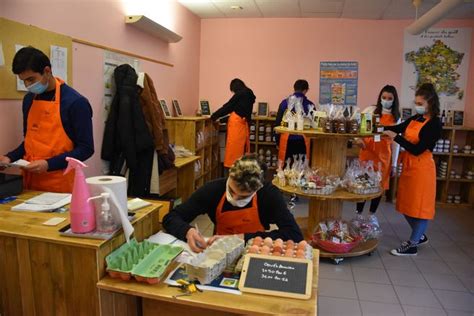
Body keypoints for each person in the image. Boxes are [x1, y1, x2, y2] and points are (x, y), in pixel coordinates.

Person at [163, 154, 304, 252]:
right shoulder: (213, 190)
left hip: (254, 252)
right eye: (231, 190)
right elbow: (171, 217)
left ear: (257, 189)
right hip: (219, 252)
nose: (235, 199)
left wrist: (241, 238)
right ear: (229, 176)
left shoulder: (268, 195)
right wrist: (187, 231)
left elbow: (294, 234)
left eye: (243, 197)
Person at [0, 47, 94, 193]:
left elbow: (86, 149)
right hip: (29, 183)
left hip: (60, 183)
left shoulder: (76, 103)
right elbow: (30, 141)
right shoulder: (29, 100)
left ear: (47, 71)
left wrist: (49, 164)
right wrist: (9, 157)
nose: (27, 86)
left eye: (31, 79)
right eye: (23, 81)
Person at [383, 83, 442, 256]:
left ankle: (413, 244)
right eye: (416, 102)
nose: (418, 106)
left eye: (420, 103)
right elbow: (397, 129)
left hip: (422, 169)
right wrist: (376, 128)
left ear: (430, 103)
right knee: (406, 205)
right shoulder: (416, 118)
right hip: (409, 167)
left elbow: (417, 149)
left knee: (420, 207)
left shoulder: (435, 124)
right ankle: (420, 235)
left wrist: (397, 139)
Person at [354, 85, 401, 226]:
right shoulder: (370, 110)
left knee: (378, 187)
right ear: (380, 97)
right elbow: (357, 128)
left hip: (384, 157)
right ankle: (358, 215)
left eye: (390, 98)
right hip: (367, 153)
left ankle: (371, 216)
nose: (386, 100)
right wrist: (358, 139)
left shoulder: (396, 117)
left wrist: (394, 163)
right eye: (384, 97)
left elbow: (396, 143)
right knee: (362, 185)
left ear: (394, 100)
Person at [210, 78, 255, 169]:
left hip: (236, 127)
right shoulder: (249, 95)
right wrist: (222, 120)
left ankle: (231, 173)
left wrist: (214, 116)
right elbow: (238, 111)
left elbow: (228, 107)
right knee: (242, 151)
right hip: (243, 125)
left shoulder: (240, 94)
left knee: (233, 153)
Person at [275, 80, 314, 162]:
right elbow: (314, 124)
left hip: (286, 139)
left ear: (294, 88)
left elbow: (278, 123)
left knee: (286, 167)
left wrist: (277, 141)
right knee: (301, 167)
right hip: (303, 140)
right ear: (306, 90)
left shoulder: (284, 103)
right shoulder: (310, 105)